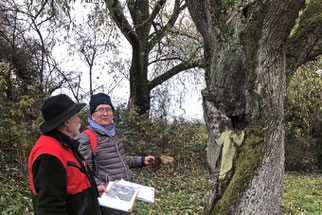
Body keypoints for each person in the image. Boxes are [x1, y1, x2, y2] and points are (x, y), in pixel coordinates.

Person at [76, 93, 155, 215]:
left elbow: (120, 159)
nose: (105, 113)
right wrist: (99, 186)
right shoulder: (86, 138)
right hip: (106, 196)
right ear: (93, 115)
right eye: (100, 110)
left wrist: (142, 160)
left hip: (123, 192)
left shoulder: (112, 136)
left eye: (108, 109)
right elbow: (83, 169)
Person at [28, 94, 106, 215]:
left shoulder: (64, 144)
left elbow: (72, 184)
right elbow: (50, 208)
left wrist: (93, 190)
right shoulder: (48, 155)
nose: (80, 120)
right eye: (77, 115)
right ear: (67, 121)